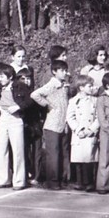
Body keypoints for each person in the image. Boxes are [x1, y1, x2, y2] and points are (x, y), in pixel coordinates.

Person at [31, 59, 70, 191]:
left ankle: (62, 179)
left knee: (63, 153)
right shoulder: (52, 85)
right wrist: (47, 104)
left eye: (66, 70)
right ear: (54, 72)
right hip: (52, 124)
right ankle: (52, 181)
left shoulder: (64, 85)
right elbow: (35, 94)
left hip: (63, 123)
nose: (65, 73)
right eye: (62, 70)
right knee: (53, 154)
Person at [0, 62, 32, 190]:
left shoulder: (20, 86)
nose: (0, 79)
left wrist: (18, 107)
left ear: (10, 77)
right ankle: (2, 179)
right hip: (3, 118)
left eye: (2, 76)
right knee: (1, 149)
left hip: (16, 119)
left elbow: (30, 101)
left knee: (18, 150)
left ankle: (19, 181)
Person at [66, 75, 99, 192]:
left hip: (90, 133)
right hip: (78, 134)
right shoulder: (73, 101)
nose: (92, 88)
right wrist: (78, 130)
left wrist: (91, 130)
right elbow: (70, 117)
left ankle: (89, 182)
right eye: (89, 86)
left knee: (89, 159)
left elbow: (98, 117)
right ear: (81, 88)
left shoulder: (95, 100)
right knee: (79, 159)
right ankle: (79, 182)